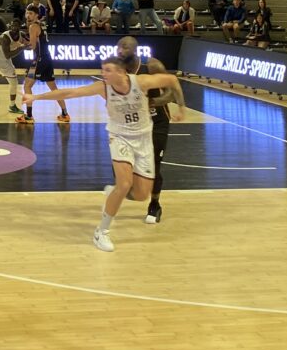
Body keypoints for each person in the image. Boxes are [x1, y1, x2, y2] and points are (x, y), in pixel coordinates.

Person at [22, 55, 185, 252]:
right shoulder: (103, 88)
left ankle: (113, 194)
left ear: (121, 72)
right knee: (124, 184)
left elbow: (172, 80)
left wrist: (182, 108)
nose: (103, 73)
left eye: (107, 70)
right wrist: (36, 97)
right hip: (120, 137)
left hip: (143, 139)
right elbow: (71, 92)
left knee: (141, 195)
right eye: (102, 69)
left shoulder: (141, 82)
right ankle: (102, 232)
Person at [117, 39, 179, 224]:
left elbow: (171, 93)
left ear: (135, 50)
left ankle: (155, 204)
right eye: (118, 47)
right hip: (133, 124)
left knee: (155, 165)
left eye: (125, 47)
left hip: (157, 121)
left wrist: (151, 102)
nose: (120, 50)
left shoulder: (151, 65)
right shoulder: (117, 69)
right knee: (124, 162)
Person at [16, 4, 68, 124]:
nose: (28, 16)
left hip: (39, 59)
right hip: (47, 59)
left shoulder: (33, 26)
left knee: (27, 86)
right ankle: (65, 113)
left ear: (36, 15)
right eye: (27, 13)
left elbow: (33, 46)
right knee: (54, 88)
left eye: (31, 14)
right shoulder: (41, 24)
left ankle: (28, 116)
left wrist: (22, 44)